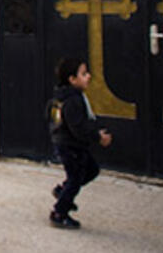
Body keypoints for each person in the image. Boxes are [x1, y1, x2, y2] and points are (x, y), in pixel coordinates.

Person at [47, 57, 112, 229]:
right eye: (84, 74)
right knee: (76, 179)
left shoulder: (67, 96)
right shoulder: (72, 101)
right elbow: (79, 128)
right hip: (70, 146)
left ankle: (63, 192)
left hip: (71, 144)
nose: (89, 76)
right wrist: (98, 137)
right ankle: (59, 212)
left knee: (91, 170)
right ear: (72, 79)